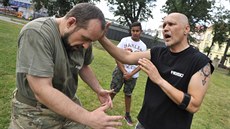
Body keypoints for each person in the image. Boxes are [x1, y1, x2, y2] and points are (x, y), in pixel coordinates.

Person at [9, 3, 123, 129]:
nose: (86, 45)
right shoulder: (37, 32)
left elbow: (83, 66)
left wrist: (98, 89)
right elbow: (41, 90)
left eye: (91, 41)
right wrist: (88, 118)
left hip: (68, 104)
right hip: (34, 111)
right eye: (85, 38)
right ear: (70, 22)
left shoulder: (83, 40)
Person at [98, 12, 214, 129]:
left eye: (171, 24)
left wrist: (159, 80)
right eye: (163, 25)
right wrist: (101, 37)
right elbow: (126, 57)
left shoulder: (200, 63)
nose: (165, 29)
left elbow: (193, 105)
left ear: (186, 29)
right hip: (144, 124)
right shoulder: (157, 52)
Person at [109, 22, 147, 126]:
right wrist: (125, 72)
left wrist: (131, 74)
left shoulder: (143, 46)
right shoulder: (124, 40)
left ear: (141, 32)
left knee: (128, 94)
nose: (135, 33)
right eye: (133, 30)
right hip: (120, 71)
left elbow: (141, 63)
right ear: (130, 31)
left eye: (137, 31)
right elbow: (117, 56)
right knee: (113, 91)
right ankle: (103, 109)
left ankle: (127, 114)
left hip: (133, 75)